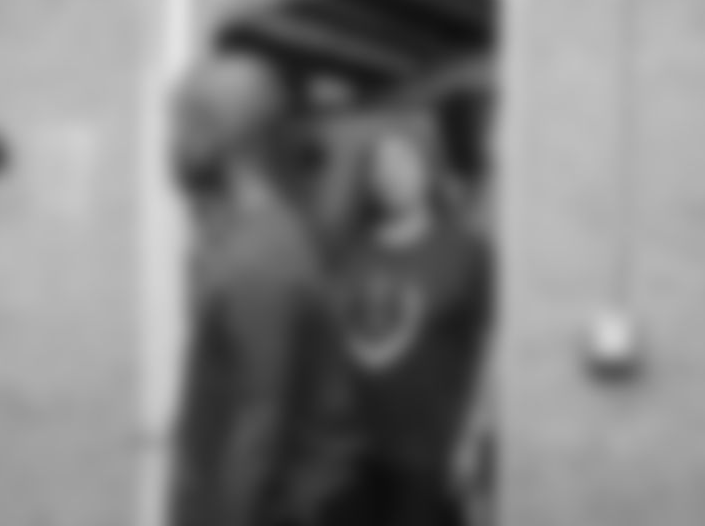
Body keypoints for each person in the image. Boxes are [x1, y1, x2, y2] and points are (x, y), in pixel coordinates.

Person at [167, 51, 358, 526]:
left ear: (222, 132)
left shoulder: (260, 259)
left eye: (182, 123)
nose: (170, 142)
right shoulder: (248, 240)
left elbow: (260, 428)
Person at [330, 110, 495, 526]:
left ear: (428, 166)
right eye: (380, 165)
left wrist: (471, 438)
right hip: (355, 453)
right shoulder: (350, 249)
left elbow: (489, 345)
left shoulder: (465, 250)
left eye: (403, 160)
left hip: (428, 456)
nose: (391, 175)